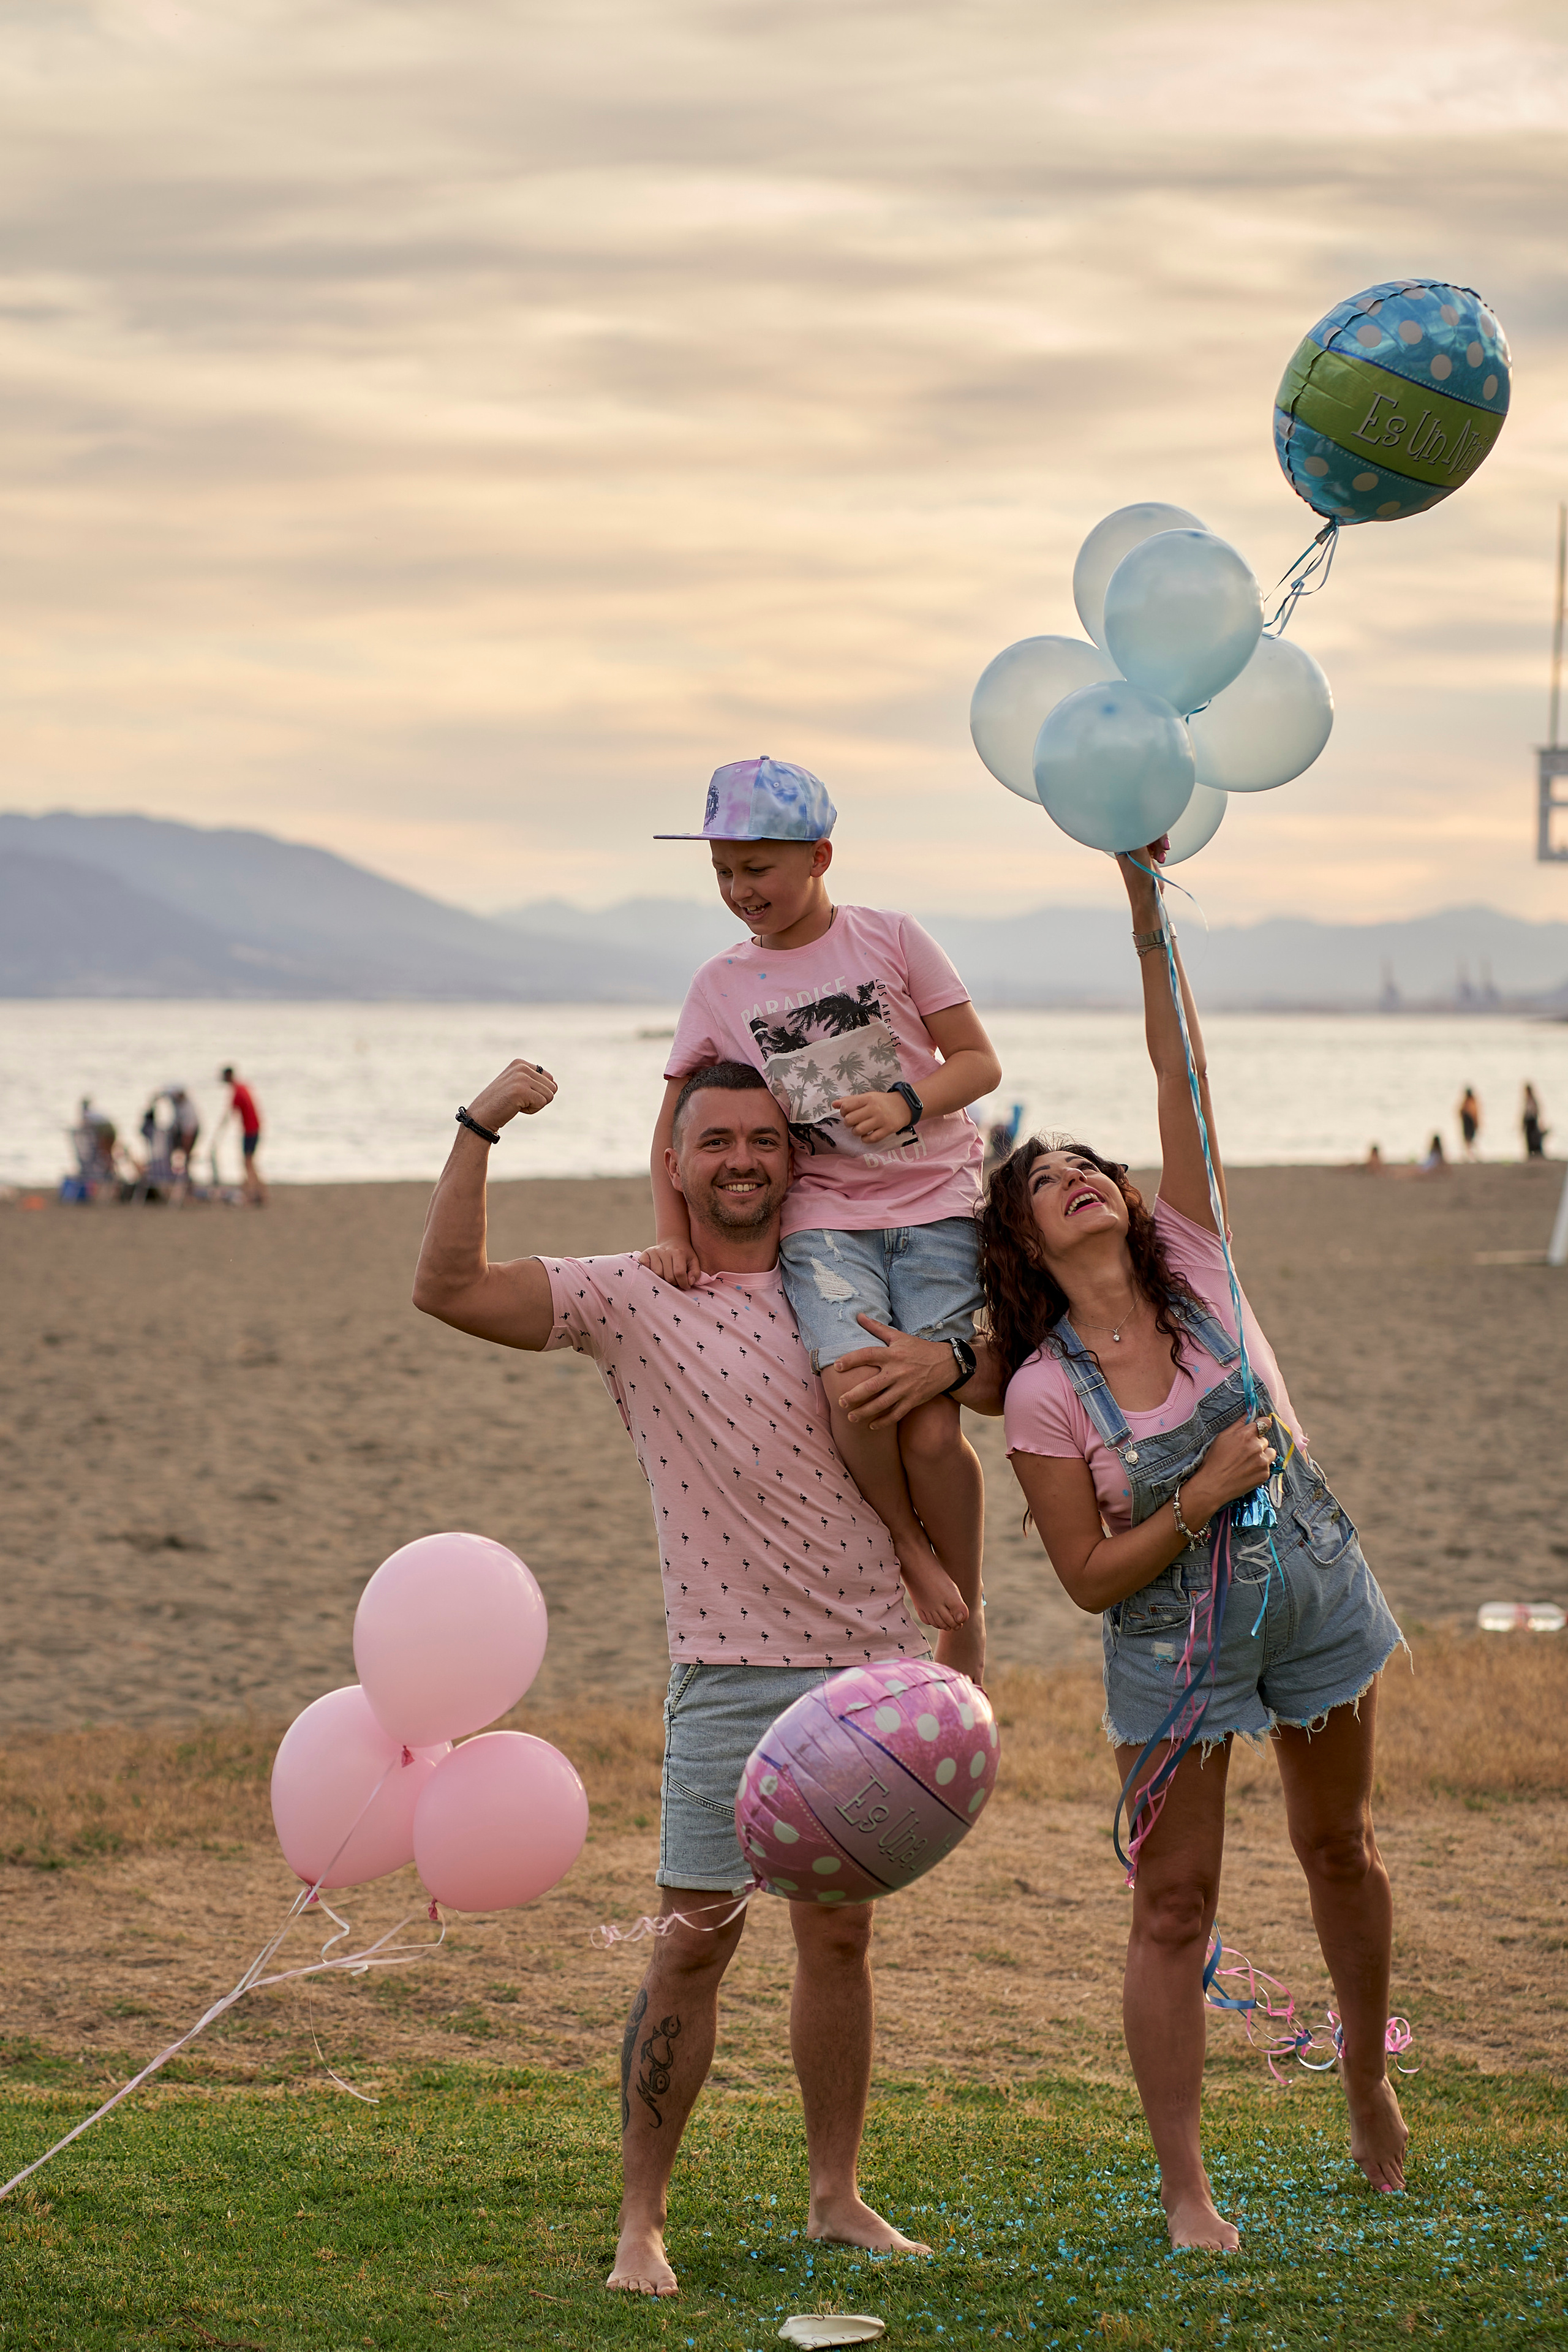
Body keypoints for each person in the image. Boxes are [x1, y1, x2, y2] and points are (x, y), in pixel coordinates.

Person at [412, 1055, 972, 2298]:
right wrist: (479, 1122)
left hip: (866, 1670)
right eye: (713, 1140)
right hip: (723, 1674)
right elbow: (443, 1287)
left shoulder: (848, 1285)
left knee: (839, 1943)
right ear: (674, 1164)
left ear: (793, 1159)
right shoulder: (632, 1298)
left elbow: (969, 1387)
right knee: (688, 1951)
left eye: (763, 1141)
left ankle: (835, 2199)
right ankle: (640, 2223)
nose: (741, 1160)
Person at [978, 846, 1408, 2251]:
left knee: (1337, 1845)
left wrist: (1143, 903)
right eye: (1044, 1178)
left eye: (1085, 1162)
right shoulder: (1043, 1392)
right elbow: (1084, 1578)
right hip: (1168, 1653)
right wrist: (1199, 1486)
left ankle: (1360, 2081)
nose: (1076, 1176)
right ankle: (1185, 2193)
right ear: (1025, 1240)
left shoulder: (1200, 1255)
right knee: (1172, 1906)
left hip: (1313, 1598)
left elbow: (1183, 1082)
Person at [643, 756, 1001, 1678]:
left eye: (757, 869)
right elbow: (673, 1127)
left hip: (935, 1208)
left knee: (929, 1425)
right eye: (724, 872)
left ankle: (967, 1607)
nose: (739, 891)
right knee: (853, 1397)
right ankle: (910, 1552)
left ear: (819, 856)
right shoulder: (721, 986)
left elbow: (977, 1063)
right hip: (826, 1219)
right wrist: (675, 1235)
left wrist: (912, 1104)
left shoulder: (890, 937)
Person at [220, 1066, 267, 1204]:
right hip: (254, 1128)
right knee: (250, 1161)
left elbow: (230, 1113)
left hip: (250, 1130)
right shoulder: (242, 1087)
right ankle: (259, 1192)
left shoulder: (238, 1091)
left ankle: (253, 1193)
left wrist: (219, 1131)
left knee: (248, 1162)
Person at [1522, 1083, 1547, 1161]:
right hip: (1529, 1122)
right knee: (1529, 1139)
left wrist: (1541, 1123)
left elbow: (1536, 1111)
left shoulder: (1532, 1100)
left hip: (1532, 1121)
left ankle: (1536, 1155)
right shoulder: (1527, 1100)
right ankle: (1531, 1155)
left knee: (1534, 1139)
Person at [1457, 1085, 1481, 1161]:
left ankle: (1471, 1155)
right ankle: (1470, 1155)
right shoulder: (1471, 1102)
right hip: (1468, 1123)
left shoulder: (1469, 1102)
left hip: (1469, 1123)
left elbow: (1473, 1115)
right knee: (1469, 1141)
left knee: (1469, 1140)